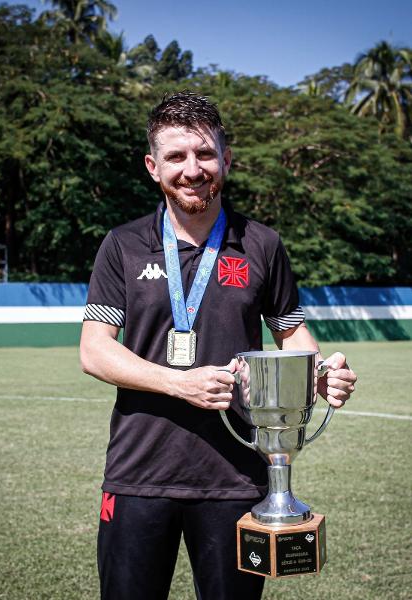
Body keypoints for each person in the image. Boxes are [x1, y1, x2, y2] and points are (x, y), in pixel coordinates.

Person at [80, 91, 357, 600]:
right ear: (152, 166)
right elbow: (94, 350)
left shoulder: (263, 244)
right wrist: (177, 383)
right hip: (140, 475)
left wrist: (321, 374)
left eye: (205, 154)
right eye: (176, 156)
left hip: (238, 478)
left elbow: (291, 333)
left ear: (225, 159)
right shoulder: (122, 244)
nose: (193, 169)